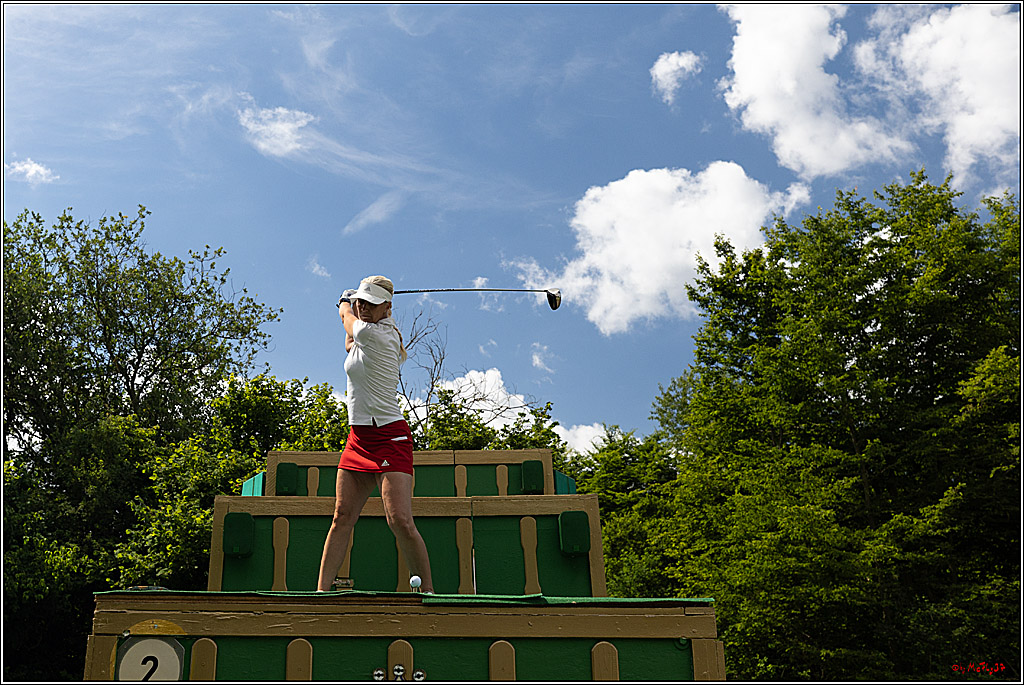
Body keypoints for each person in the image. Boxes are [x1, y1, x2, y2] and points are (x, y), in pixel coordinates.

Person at [316, 275, 434, 593]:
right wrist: (351, 302)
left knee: (399, 520)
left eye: (372, 302)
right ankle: (320, 594)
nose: (364, 307)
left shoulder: (379, 336)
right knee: (341, 515)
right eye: (361, 301)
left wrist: (343, 301)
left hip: (389, 437)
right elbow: (348, 341)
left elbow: (346, 320)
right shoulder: (363, 335)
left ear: (387, 307)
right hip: (358, 439)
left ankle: (428, 593)